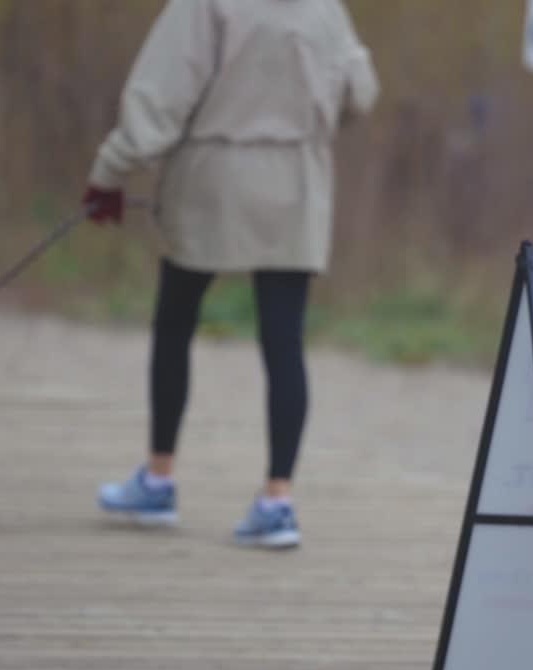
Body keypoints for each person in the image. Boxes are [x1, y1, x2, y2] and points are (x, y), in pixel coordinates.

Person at [80, 0, 379, 549]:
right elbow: (359, 91)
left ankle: (160, 478)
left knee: (176, 321)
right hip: (296, 182)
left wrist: (110, 173)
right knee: (284, 341)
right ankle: (277, 499)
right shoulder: (324, 7)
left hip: (212, 176)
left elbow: (161, 97)